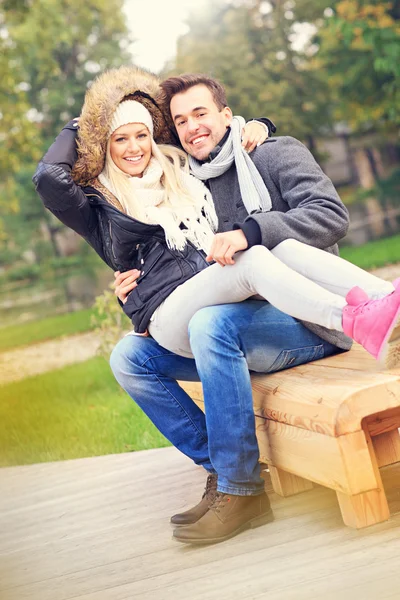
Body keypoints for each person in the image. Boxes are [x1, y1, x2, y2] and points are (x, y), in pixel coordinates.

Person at [108, 72, 400, 545]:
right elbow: (187, 271)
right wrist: (135, 295)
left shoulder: (271, 152)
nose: (192, 127)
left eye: (201, 113)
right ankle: (220, 470)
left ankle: (241, 488)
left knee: (212, 322)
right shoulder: (186, 186)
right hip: (245, 321)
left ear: (226, 115)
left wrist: (253, 231)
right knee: (130, 358)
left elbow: (331, 216)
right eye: (180, 121)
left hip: (307, 320)